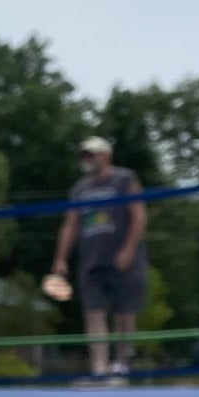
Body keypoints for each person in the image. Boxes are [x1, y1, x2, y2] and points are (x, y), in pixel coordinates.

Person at [50, 135, 147, 381]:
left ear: (106, 155)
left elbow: (138, 216)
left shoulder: (124, 179)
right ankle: (99, 368)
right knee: (93, 312)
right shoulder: (80, 189)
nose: (87, 159)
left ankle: (122, 364)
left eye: (92, 154)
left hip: (122, 257)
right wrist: (60, 258)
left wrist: (128, 249)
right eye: (84, 155)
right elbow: (70, 225)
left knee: (124, 312)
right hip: (91, 259)